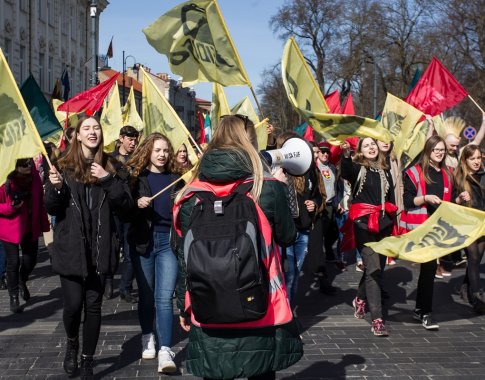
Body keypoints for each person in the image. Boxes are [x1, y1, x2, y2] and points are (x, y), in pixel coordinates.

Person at [173, 115, 303, 380]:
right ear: (250, 141)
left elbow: (183, 257)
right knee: (261, 370)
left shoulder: (189, 195)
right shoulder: (266, 188)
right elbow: (288, 237)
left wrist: (182, 305)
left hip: (207, 302)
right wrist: (282, 188)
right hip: (260, 301)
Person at [45, 114, 134, 379]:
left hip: (100, 248)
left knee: (93, 307)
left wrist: (107, 179)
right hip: (72, 248)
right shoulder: (63, 165)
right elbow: (51, 208)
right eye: (87, 128)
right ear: (78, 135)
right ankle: (72, 343)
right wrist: (57, 189)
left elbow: (127, 208)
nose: (93, 132)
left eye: (96, 128)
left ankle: (87, 360)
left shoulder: (113, 166)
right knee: (73, 306)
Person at [126, 132, 180, 374]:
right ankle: (148, 335)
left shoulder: (176, 178)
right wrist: (136, 204)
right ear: (148, 151)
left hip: (168, 242)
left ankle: (166, 349)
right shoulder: (137, 178)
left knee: (164, 297)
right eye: (157, 150)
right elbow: (124, 208)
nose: (162, 154)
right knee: (147, 296)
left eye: (165, 150)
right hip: (144, 242)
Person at [401, 135, 459, 330]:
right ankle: (426, 312)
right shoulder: (415, 172)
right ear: (428, 151)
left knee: (428, 271)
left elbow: (451, 201)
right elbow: (408, 201)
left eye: (442, 150)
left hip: (440, 228)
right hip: (422, 228)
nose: (440, 153)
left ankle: (420, 309)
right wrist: (425, 197)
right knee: (428, 269)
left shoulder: (449, 173)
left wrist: (460, 199)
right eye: (437, 150)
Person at [341, 137, 397, 337]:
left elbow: (390, 200)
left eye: (373, 144)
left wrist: (393, 227)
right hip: (364, 225)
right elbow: (346, 171)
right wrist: (346, 154)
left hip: (383, 226)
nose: (371, 147)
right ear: (360, 150)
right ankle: (377, 319)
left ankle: (360, 298)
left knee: (377, 269)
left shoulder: (385, 170)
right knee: (373, 269)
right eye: (366, 145)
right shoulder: (357, 168)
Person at [276, 132, 324, 306]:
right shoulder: (278, 171)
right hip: (285, 231)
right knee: (286, 273)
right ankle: (285, 312)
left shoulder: (309, 170)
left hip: (303, 229)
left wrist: (315, 203)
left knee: (295, 272)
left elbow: (318, 195)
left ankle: (289, 306)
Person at [0, 158, 50, 313]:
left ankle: (22, 279)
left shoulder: (34, 176)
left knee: (30, 260)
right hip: (10, 228)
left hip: (30, 226)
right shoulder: (4, 179)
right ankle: (13, 296)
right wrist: (11, 207)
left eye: (29, 162)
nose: (29, 165)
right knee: (13, 262)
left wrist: (42, 223)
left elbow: (39, 201)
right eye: (24, 164)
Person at [453, 144, 485, 313]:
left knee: (477, 259)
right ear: (465, 160)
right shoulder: (458, 178)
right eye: (472, 158)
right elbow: (450, 202)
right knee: (472, 257)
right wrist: (458, 198)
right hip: (466, 224)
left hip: (483, 224)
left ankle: (465, 287)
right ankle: (477, 297)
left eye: (479, 158)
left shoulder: (484, 175)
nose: (476, 162)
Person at [110, 125, 140, 303]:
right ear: (121, 138)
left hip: (131, 211)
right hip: (113, 211)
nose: (133, 143)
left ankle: (125, 288)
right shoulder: (110, 159)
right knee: (112, 250)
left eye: (135, 139)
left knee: (130, 253)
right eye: (130, 139)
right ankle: (107, 280)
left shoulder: (138, 159)